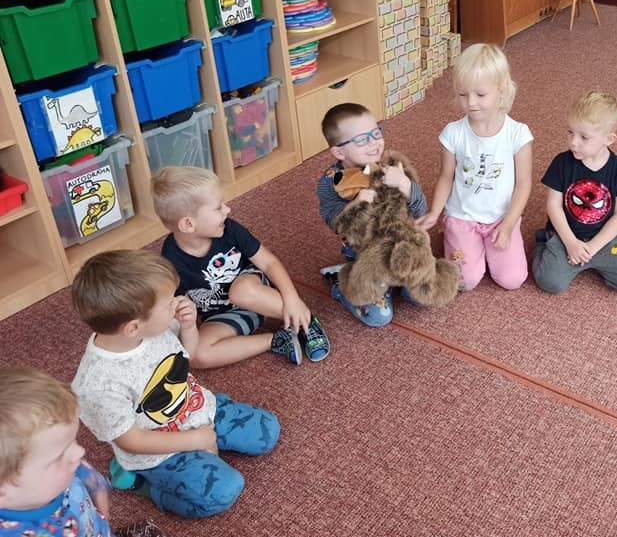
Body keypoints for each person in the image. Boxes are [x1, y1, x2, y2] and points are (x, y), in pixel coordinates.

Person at [71, 250, 281, 519]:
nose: (177, 302)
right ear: (133, 327)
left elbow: (187, 356)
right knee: (223, 492)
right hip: (159, 452)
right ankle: (142, 483)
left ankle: (209, 433)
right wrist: (194, 439)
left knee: (267, 431)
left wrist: (189, 326)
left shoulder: (154, 326)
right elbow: (132, 440)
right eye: (168, 302)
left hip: (196, 409)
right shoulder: (97, 385)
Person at [153, 166, 329, 367]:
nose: (227, 210)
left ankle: (306, 321)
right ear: (188, 224)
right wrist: (186, 322)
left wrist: (292, 298)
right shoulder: (170, 260)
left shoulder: (229, 229)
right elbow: (176, 306)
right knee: (197, 355)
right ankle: (277, 340)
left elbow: (269, 262)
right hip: (223, 315)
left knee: (240, 291)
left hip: (255, 292)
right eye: (218, 208)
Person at [416, 44, 533, 290]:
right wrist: (435, 212)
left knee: (512, 280)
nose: (470, 103)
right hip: (463, 216)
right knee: (464, 282)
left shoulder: (518, 134)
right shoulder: (453, 133)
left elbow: (523, 184)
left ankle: (486, 247)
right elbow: (446, 176)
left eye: (480, 95)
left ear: (502, 91)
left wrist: (509, 224)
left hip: (501, 217)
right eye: (462, 94)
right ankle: (456, 236)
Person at [317, 102, 428, 326]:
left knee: (422, 295)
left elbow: (420, 210)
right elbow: (334, 222)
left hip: (400, 246)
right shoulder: (331, 181)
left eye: (376, 133)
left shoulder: (392, 166)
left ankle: (396, 281)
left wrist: (405, 185)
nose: (373, 143)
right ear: (339, 152)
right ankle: (342, 285)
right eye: (361, 139)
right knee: (379, 317)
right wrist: (356, 205)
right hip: (367, 256)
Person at [532, 89, 617, 294]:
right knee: (550, 282)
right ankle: (542, 242)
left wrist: (593, 247)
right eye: (570, 132)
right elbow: (553, 206)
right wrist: (571, 243)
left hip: (604, 239)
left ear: (609, 139)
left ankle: (592, 255)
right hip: (565, 235)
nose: (573, 142)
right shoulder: (561, 163)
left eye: (584, 137)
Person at [0, 367, 112, 537]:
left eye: (73, 440)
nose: (79, 452)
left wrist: (96, 485)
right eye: (60, 456)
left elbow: (84, 472)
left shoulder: (63, 468)